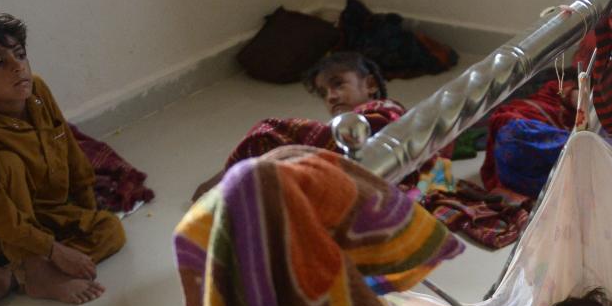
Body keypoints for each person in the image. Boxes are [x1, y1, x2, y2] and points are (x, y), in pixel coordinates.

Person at [0, 9, 125, 306]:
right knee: (8, 163)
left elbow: (69, 146)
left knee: (110, 230)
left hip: (37, 212)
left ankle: (4, 275)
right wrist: (52, 250)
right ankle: (36, 274)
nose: (17, 67)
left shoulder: (37, 90)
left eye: (19, 55)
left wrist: (87, 206)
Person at [191, 51, 451, 201]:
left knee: (270, 131)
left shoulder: (384, 110)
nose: (331, 96)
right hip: (358, 176)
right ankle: (239, 182)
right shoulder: (339, 128)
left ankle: (225, 180)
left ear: (370, 85)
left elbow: (391, 134)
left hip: (379, 172)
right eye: (323, 92)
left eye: (338, 84)